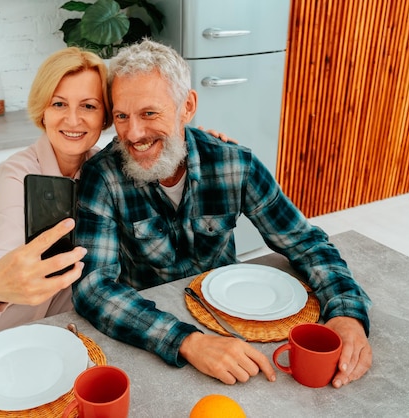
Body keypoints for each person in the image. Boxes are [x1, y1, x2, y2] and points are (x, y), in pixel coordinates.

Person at [72, 40, 373, 388]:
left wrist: (348, 313)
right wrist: (186, 341)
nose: (133, 133)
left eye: (149, 113)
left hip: (236, 321)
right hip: (149, 330)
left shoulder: (236, 164)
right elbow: (93, 287)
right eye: (122, 116)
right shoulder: (103, 175)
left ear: (187, 107)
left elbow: (305, 242)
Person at [0, 47, 232, 344]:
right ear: (43, 109)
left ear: (106, 115)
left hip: (67, 331)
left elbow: (166, 155)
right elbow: (0, 241)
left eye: (89, 106)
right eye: (59, 104)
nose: (73, 120)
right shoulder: (17, 173)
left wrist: (200, 146)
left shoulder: (114, 169)